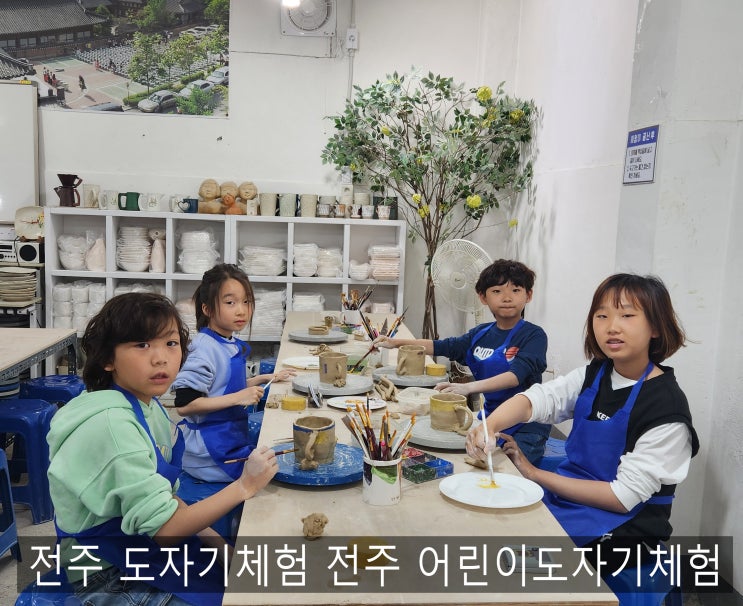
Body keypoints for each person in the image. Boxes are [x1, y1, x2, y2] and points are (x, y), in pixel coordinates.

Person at [46, 292, 278, 604]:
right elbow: (166, 531)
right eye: (142, 345)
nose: (161, 358)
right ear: (108, 359)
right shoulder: (113, 425)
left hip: (139, 544)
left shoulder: (148, 406)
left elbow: (165, 495)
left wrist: (222, 548)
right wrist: (245, 486)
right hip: (105, 572)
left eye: (171, 343)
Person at [466, 273, 699, 573]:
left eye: (627, 315)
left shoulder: (666, 407)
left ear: (655, 326)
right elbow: (537, 400)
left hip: (626, 528)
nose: (612, 326)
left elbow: (622, 497)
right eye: (602, 316)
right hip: (569, 501)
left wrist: (534, 473)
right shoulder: (596, 374)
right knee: (489, 527)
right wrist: (490, 425)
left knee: (512, 565)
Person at [374, 259, 549, 463]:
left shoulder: (534, 335)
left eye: (516, 290)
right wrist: (395, 342)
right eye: (497, 291)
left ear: (528, 295)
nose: (507, 298)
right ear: (483, 297)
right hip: (490, 418)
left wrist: (468, 388)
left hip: (526, 426)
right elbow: (443, 346)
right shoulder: (480, 334)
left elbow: (514, 377)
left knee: (506, 474)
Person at [171, 264, 295, 537]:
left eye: (246, 302)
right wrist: (240, 397)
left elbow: (220, 388)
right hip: (210, 453)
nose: (241, 311)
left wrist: (263, 379)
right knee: (277, 474)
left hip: (227, 436)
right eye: (230, 302)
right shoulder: (204, 348)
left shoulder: (225, 341)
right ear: (207, 309)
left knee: (279, 457)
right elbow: (185, 405)